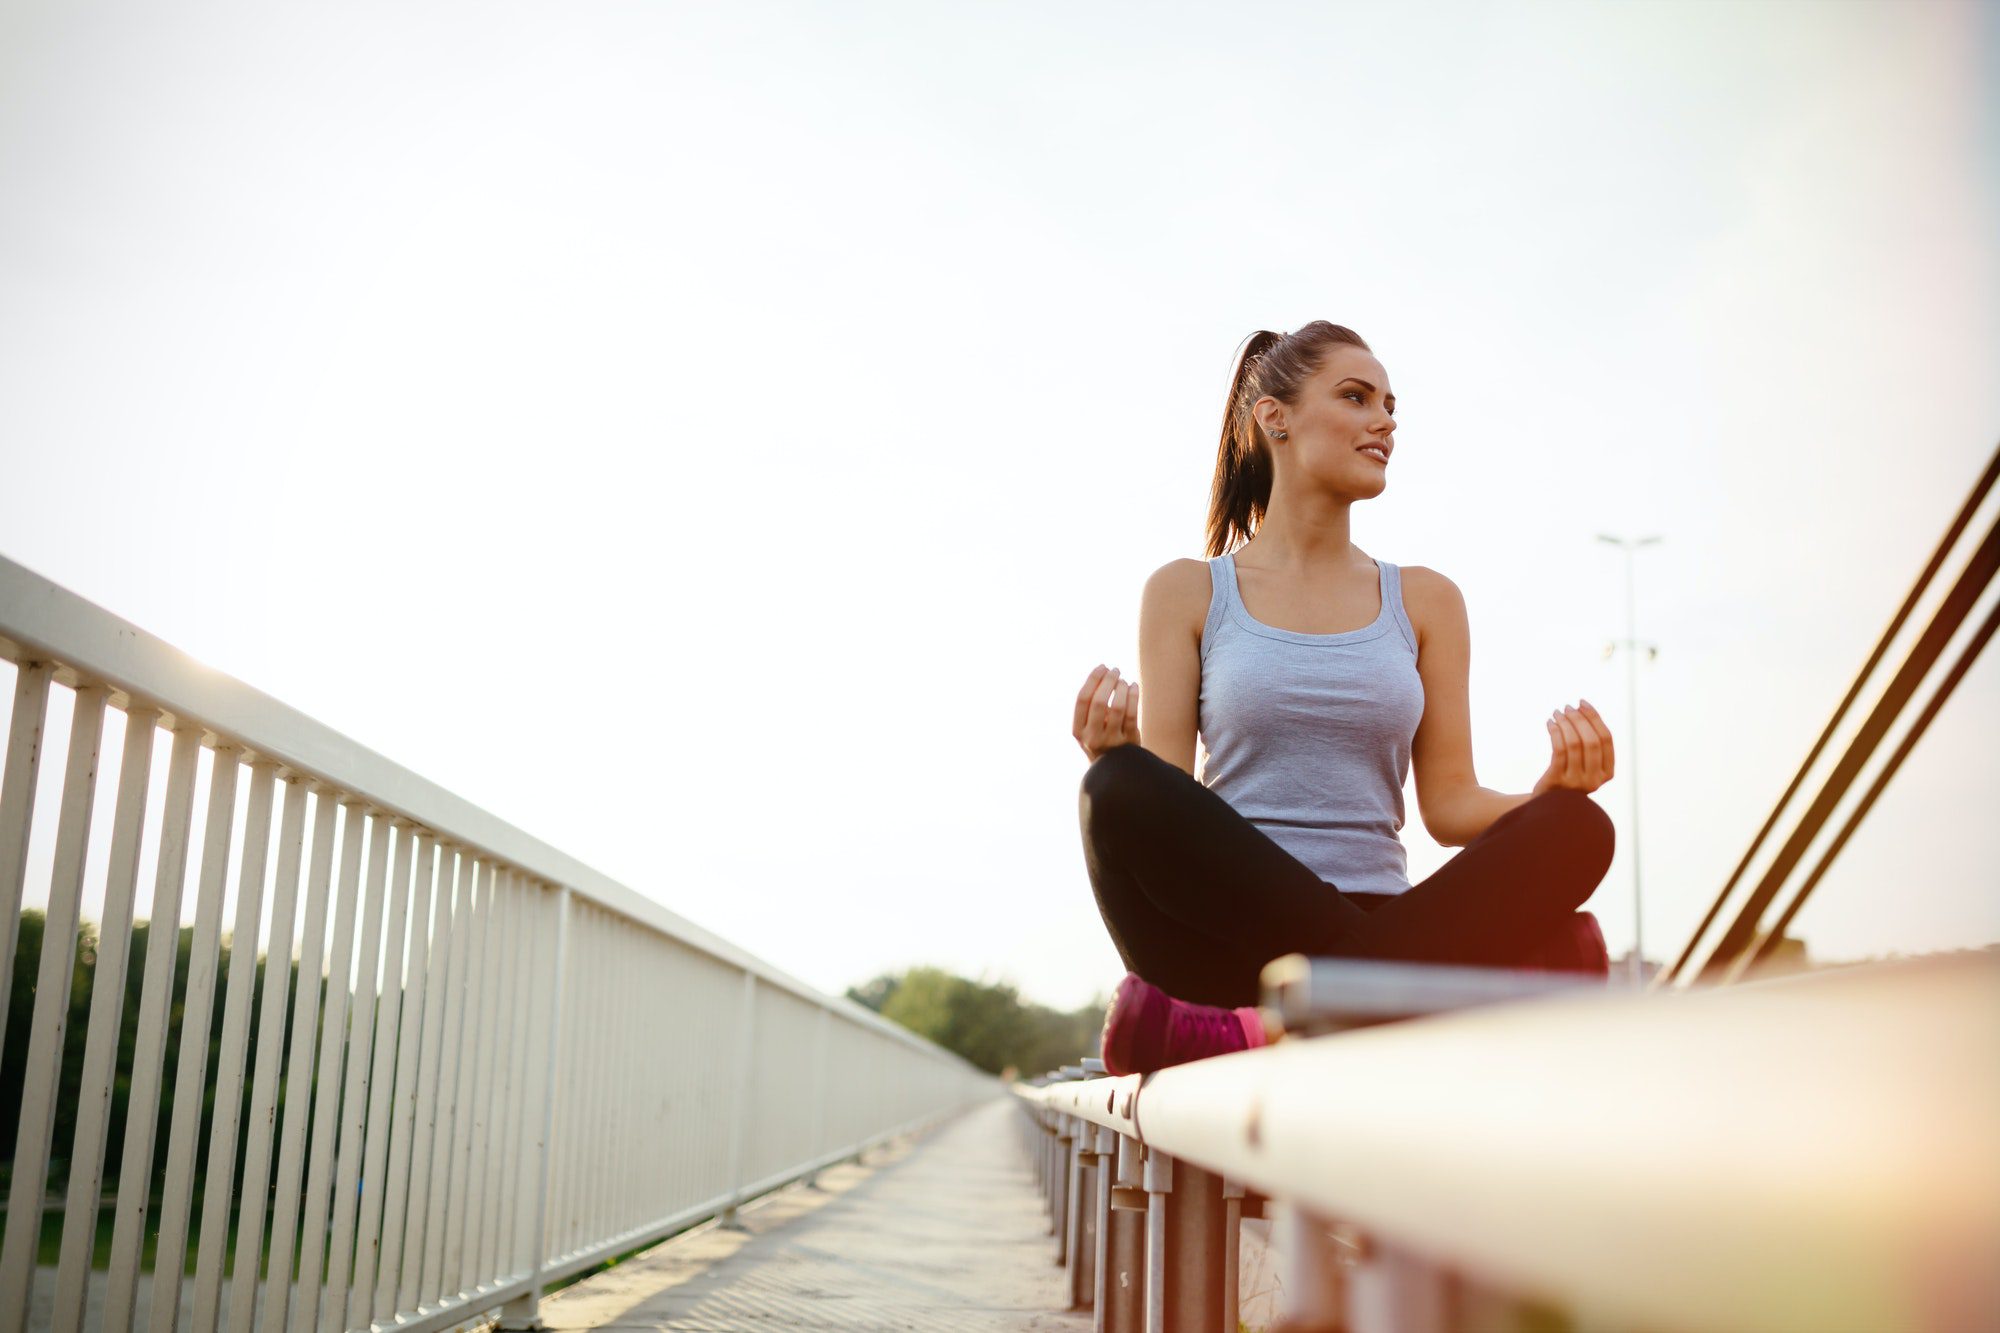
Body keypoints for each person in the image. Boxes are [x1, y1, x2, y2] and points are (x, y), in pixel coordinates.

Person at [1074, 322, 1618, 1075]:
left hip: (1387, 918)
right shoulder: (1187, 591)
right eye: (1357, 397)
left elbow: (1451, 805)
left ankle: (1272, 1025)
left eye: (1391, 405)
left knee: (1578, 826)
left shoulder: (1426, 599)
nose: (1385, 421)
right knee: (1116, 787)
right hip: (1232, 945)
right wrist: (1116, 752)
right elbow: (1169, 798)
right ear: (1276, 418)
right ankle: (1429, 994)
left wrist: (1539, 799)